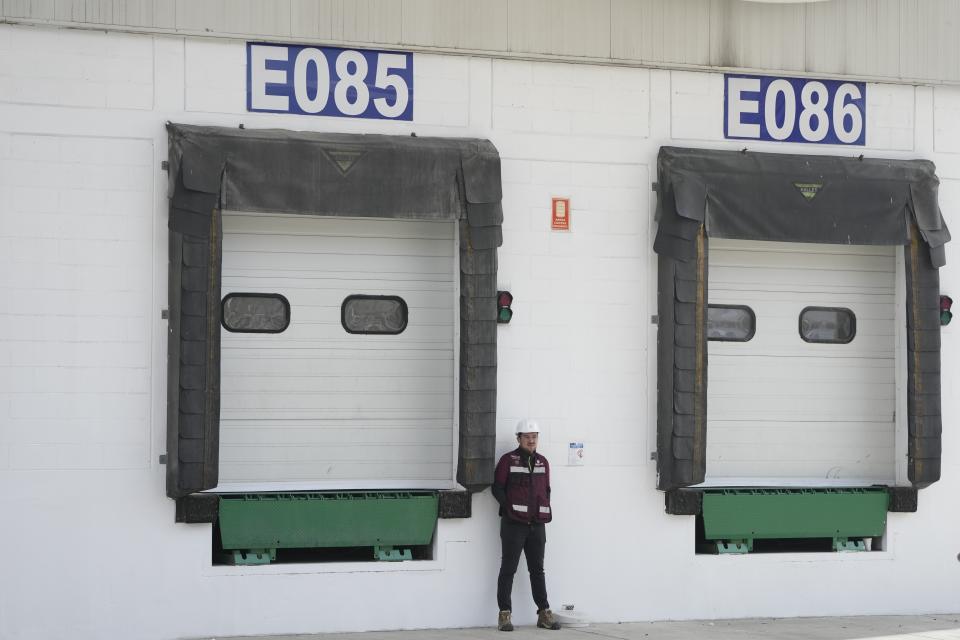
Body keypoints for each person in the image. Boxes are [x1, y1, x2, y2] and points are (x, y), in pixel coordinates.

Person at [491, 419, 561, 632]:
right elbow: (497, 488)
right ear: (518, 438)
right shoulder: (507, 460)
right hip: (514, 525)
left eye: (534, 436)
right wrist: (510, 509)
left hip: (537, 525)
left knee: (537, 570)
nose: (531, 440)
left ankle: (544, 613)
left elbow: (546, 490)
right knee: (508, 569)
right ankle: (504, 614)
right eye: (527, 436)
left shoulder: (543, 462)